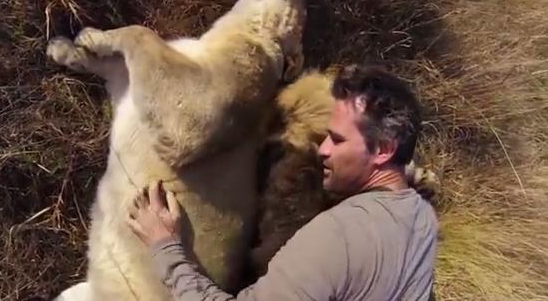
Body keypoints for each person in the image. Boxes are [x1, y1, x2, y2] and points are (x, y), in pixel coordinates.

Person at [128, 65, 439, 300]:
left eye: (337, 139)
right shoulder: (422, 218)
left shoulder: (335, 237)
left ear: (383, 151)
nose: (324, 149)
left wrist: (165, 247)